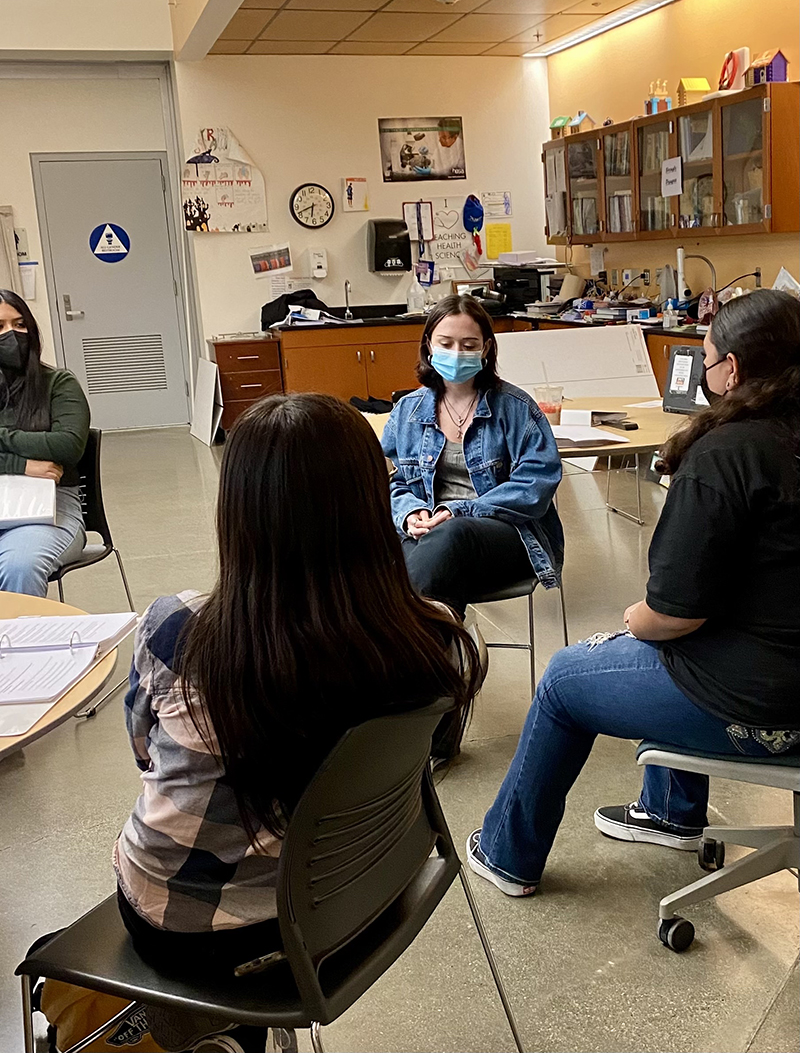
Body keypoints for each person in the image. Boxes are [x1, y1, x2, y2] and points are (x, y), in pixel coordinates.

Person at [114, 393, 481, 1037]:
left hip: (201, 934)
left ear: (238, 512)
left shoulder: (181, 630)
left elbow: (144, 753)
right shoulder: (436, 635)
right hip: (361, 899)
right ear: (371, 503)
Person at [467, 289, 800, 897]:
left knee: (570, 677)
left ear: (735, 370)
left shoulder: (726, 456)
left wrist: (633, 620)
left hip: (768, 707)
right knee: (678, 646)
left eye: (708, 358)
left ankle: (506, 853)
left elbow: (673, 614)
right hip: (780, 669)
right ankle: (670, 811)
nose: (703, 372)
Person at [381, 293, 563, 617]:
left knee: (451, 534)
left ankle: (404, 641)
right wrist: (409, 514)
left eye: (468, 345)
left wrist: (460, 510)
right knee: (403, 552)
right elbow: (388, 482)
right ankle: (437, 651)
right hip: (429, 538)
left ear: (486, 348)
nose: (456, 353)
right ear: (428, 345)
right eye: (446, 343)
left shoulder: (516, 408)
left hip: (506, 537)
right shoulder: (406, 411)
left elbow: (536, 486)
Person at [0, 290, 89, 597]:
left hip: (49, 508)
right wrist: (21, 464)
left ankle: (17, 645)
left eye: (20, 324)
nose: (11, 334)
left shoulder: (59, 383)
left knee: (19, 565)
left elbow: (67, 446)